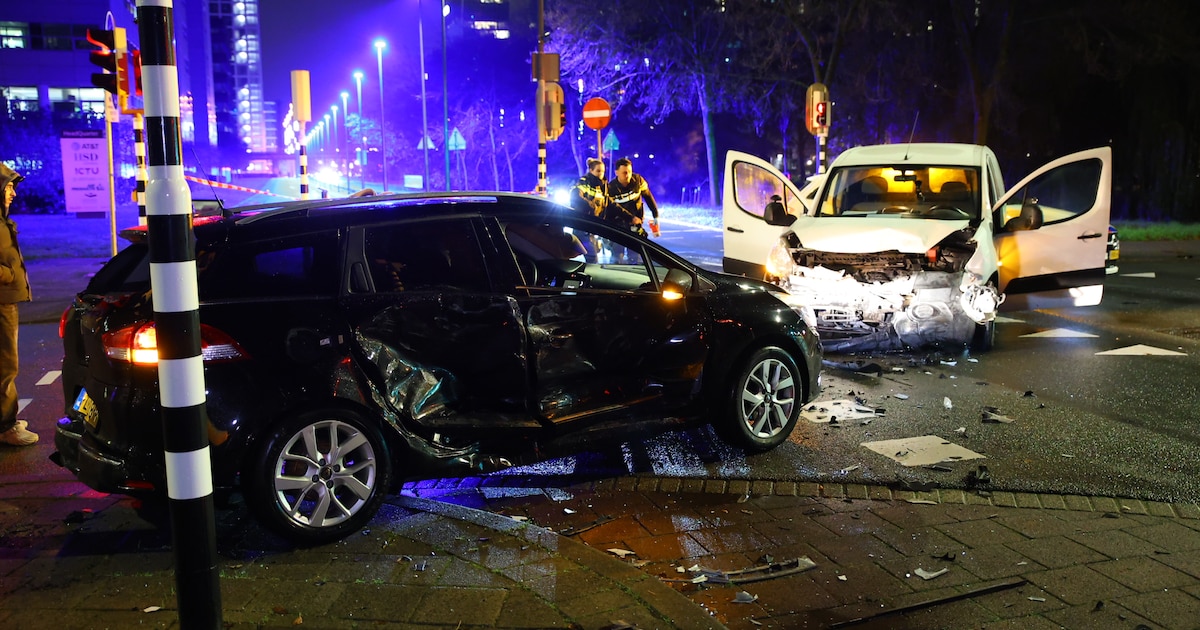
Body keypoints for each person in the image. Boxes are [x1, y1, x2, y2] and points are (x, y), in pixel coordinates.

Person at [0, 163, 35, 447]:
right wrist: (10, 276)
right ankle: (6, 427)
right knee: (6, 364)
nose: (13, 193)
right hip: (2, 301)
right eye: (9, 187)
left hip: (6, 299)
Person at [606, 157, 660, 238]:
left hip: (636, 222)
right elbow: (611, 209)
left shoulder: (638, 181)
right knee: (618, 249)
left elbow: (648, 197)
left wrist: (656, 216)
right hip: (619, 223)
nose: (628, 175)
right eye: (624, 173)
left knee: (636, 249)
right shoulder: (611, 189)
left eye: (630, 172)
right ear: (616, 172)